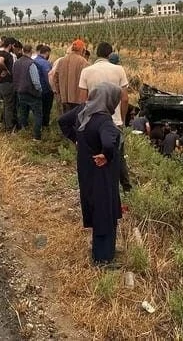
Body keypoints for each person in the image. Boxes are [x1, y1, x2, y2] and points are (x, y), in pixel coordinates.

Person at [58, 83, 122, 266]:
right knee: (105, 210)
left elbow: (62, 121)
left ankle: (100, 251)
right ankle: (103, 258)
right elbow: (109, 143)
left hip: (86, 169)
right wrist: (106, 155)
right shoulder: (104, 121)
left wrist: (76, 139)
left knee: (95, 206)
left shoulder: (83, 111)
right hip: (102, 173)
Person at [78, 42, 132, 192]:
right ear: (110, 54)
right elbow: (125, 99)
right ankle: (124, 188)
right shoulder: (119, 70)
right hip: (114, 121)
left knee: (95, 156)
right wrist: (121, 119)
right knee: (117, 156)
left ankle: (97, 187)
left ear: (96, 53)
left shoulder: (86, 71)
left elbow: (82, 102)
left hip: (92, 122)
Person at [12, 44, 43, 140]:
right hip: (31, 93)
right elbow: (36, 81)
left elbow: (15, 76)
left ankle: (23, 131)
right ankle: (36, 136)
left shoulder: (16, 62)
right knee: (38, 114)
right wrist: (40, 90)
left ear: (22, 51)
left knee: (23, 112)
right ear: (31, 51)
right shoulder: (31, 64)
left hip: (20, 92)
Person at [52, 39, 89, 112]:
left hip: (64, 97)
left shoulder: (61, 61)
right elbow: (87, 79)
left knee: (66, 119)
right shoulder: (83, 62)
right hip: (78, 99)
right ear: (82, 50)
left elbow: (55, 79)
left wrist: (59, 92)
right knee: (76, 120)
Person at [0, 37, 16, 132]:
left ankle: (5, 123)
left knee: (6, 104)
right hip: (7, 83)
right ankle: (9, 128)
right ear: (10, 45)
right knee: (9, 105)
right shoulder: (5, 54)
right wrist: (6, 70)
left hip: (2, 83)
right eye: (13, 45)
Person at [33, 45, 54, 127]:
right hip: (45, 91)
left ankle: (38, 124)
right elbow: (48, 78)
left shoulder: (33, 60)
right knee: (46, 109)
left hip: (35, 90)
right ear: (47, 53)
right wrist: (52, 89)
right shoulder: (45, 63)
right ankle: (45, 125)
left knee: (38, 109)